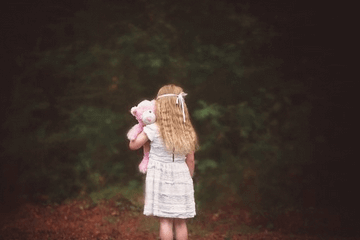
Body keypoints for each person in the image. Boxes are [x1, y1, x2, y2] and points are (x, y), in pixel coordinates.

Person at [129, 84, 198, 240]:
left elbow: (133, 145)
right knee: (181, 222)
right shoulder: (186, 130)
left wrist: (140, 127)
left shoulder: (153, 129)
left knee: (165, 221)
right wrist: (188, 177)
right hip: (182, 175)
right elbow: (191, 159)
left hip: (159, 175)